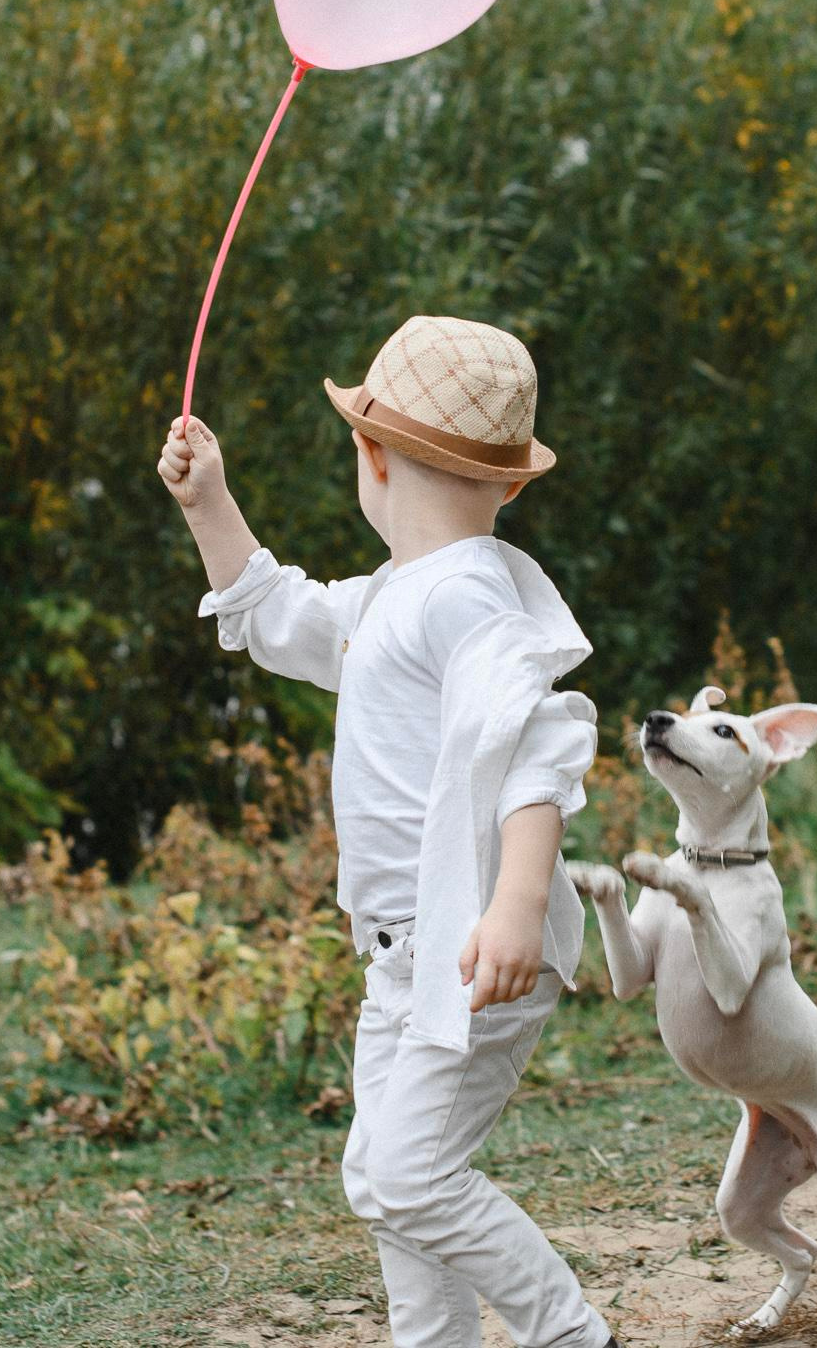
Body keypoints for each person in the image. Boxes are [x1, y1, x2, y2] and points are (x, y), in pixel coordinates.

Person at [157, 315, 617, 1348]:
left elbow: (541, 746)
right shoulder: (401, 595)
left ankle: (572, 1335)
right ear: (509, 482)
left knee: (408, 1175)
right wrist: (210, 503)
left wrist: (515, 905)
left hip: (468, 948)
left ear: (369, 454)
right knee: (386, 1177)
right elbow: (283, 618)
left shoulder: (464, 597)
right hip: (402, 963)